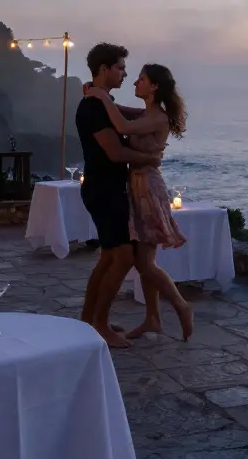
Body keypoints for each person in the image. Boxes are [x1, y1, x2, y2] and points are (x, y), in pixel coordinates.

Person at [84, 63, 194, 341]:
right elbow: (121, 112)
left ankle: (181, 306)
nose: (135, 82)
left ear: (154, 86)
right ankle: (152, 318)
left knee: (144, 263)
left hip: (147, 188)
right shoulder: (148, 113)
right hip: (137, 186)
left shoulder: (157, 118)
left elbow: (122, 125)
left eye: (141, 79)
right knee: (145, 259)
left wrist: (102, 96)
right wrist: (101, 96)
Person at [75, 43, 163, 349]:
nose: (125, 74)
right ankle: (100, 325)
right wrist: (149, 159)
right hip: (103, 189)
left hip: (107, 188)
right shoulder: (94, 107)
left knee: (109, 257)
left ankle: (89, 319)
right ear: (104, 69)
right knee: (123, 257)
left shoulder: (103, 102)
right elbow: (115, 153)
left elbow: (130, 117)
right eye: (121, 68)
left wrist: (159, 116)